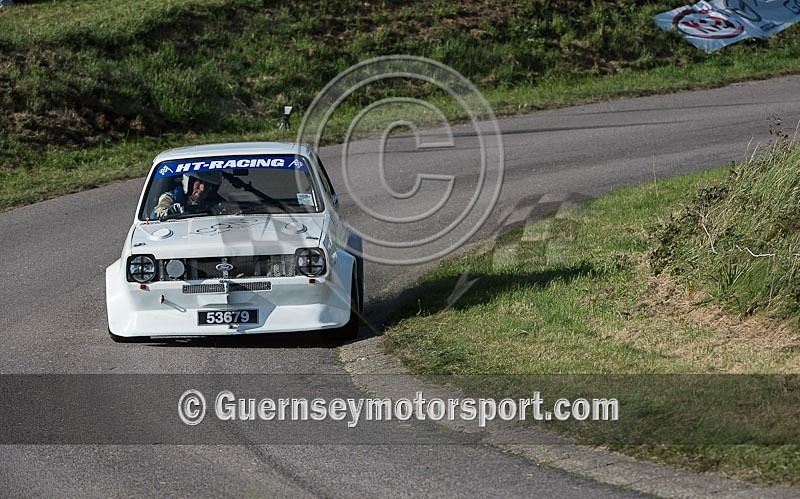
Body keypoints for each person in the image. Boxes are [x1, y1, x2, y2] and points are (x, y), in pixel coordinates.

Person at [152, 171, 224, 219]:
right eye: (199, 182)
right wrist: (170, 211)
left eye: (208, 185)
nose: (202, 188)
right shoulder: (171, 197)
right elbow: (157, 212)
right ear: (190, 182)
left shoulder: (216, 201)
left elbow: (231, 208)